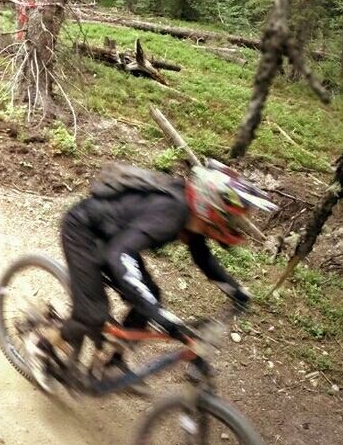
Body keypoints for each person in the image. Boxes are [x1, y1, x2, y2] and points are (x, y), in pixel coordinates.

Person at [37, 158, 278, 390]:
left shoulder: (192, 219)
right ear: (213, 207)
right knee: (92, 313)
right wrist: (158, 314)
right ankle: (44, 343)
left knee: (151, 295)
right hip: (84, 232)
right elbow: (121, 256)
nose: (235, 223)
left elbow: (202, 257)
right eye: (232, 216)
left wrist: (235, 291)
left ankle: (111, 360)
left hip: (113, 239)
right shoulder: (171, 213)